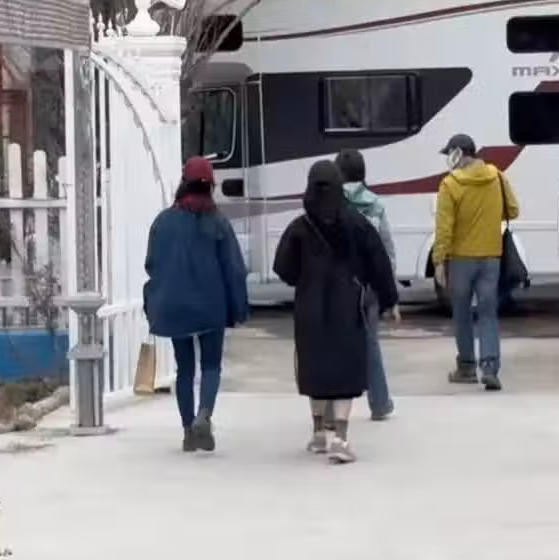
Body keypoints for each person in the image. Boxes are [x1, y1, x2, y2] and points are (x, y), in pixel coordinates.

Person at [273, 160, 399, 464]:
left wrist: (305, 278)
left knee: (315, 368)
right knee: (345, 370)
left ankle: (319, 433)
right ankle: (341, 438)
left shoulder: (300, 227)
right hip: (347, 306)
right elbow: (379, 263)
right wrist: (389, 300)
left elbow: (283, 268)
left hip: (310, 307)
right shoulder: (357, 224)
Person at [143, 156, 249, 452]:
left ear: (183, 183)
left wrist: (155, 298)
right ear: (210, 186)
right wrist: (238, 307)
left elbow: (152, 265)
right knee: (211, 365)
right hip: (211, 307)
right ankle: (205, 415)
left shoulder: (163, 222)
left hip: (175, 306)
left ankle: (189, 431)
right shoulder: (218, 222)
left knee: (185, 370)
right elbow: (234, 269)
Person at [431, 133, 519, 392]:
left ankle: (467, 367)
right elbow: (513, 210)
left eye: (450, 153)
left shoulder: (450, 184)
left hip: (460, 260)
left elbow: (444, 228)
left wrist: (439, 261)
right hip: (491, 257)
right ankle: (490, 368)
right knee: (488, 313)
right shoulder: (497, 176)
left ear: (458, 153)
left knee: (461, 313)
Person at [334, 148, 396, 421]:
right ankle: (380, 403)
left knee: (334, 344)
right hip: (368, 286)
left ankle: (333, 407)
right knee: (371, 344)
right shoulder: (375, 204)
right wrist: (388, 290)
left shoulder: (331, 205)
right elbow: (386, 249)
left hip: (338, 285)